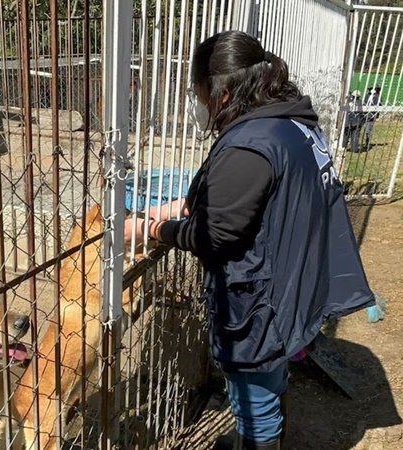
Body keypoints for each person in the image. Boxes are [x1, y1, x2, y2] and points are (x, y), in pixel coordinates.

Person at [123, 31, 374, 449]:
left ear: (222, 92)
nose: (197, 102)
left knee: (254, 400)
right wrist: (173, 208)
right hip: (293, 280)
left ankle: (257, 441)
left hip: (261, 298)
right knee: (269, 377)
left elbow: (216, 235)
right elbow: (252, 197)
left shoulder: (249, 146)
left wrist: (151, 230)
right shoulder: (291, 124)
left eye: (198, 91)